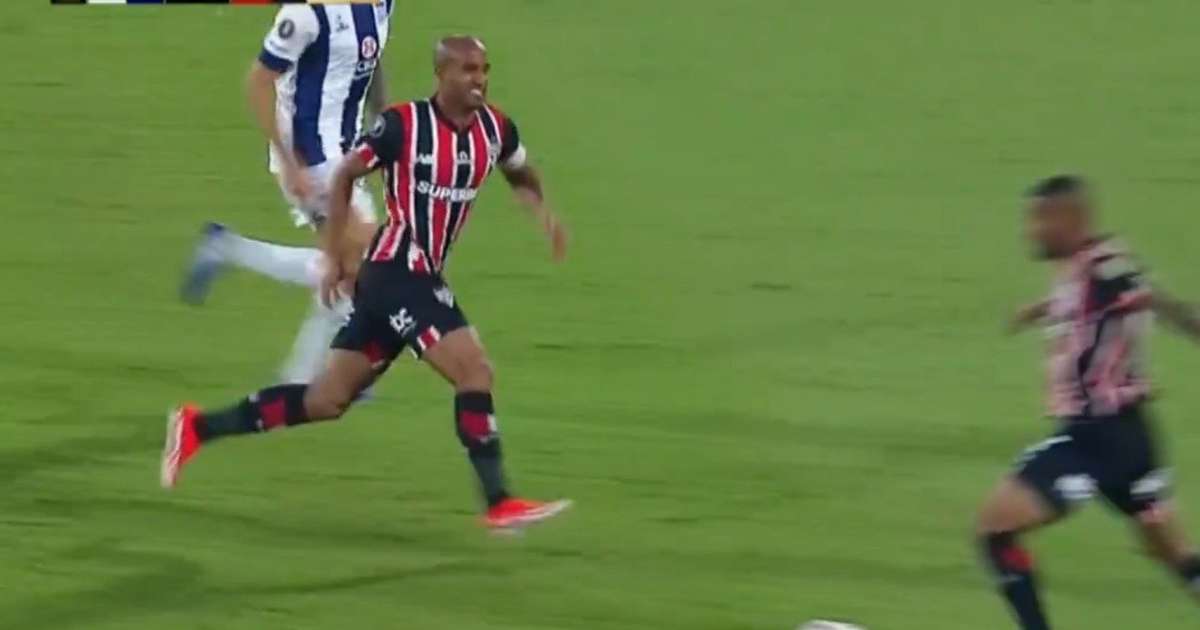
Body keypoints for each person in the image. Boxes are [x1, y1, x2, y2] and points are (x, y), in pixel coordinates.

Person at [163, 36, 572, 532]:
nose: (479, 80)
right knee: (474, 370)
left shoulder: (495, 128)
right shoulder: (403, 125)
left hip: (400, 281)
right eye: (468, 70)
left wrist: (543, 213)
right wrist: (335, 254)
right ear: (442, 74)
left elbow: (519, 170)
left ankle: (197, 428)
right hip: (398, 272)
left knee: (325, 400)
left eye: (484, 69)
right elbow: (344, 177)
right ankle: (499, 501)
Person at [977, 175, 1200, 629]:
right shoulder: (1081, 269)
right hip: (1131, 437)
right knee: (1173, 552)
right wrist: (1037, 310)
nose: (1033, 230)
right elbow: (1082, 302)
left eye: (1042, 219)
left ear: (1071, 219)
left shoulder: (1106, 269)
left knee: (996, 528)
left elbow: (1150, 298)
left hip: (1097, 436)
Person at [180, 1, 394, 385]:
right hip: (310, 159)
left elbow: (372, 54)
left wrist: (383, 124)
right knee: (368, 260)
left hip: (349, 153)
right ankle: (306, 379)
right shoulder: (304, 14)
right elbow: (258, 81)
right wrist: (289, 161)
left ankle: (225, 249)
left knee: (347, 270)